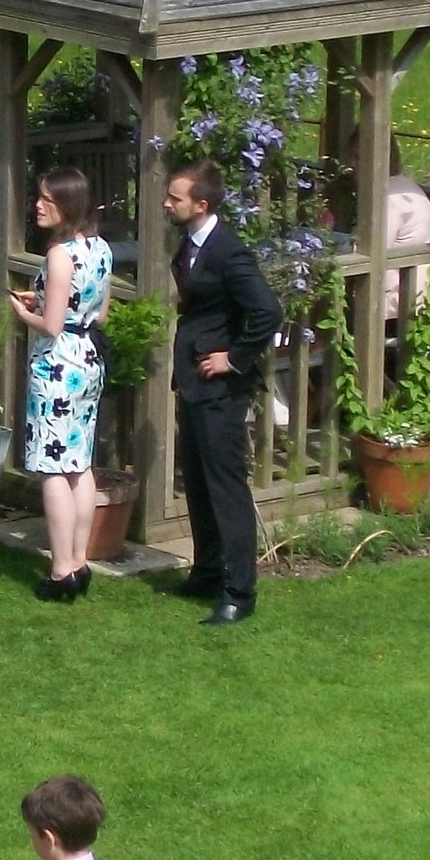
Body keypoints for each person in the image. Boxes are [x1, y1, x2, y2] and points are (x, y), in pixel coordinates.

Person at [163, 160, 284, 625]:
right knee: (196, 480)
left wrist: (233, 358)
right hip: (195, 384)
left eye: (175, 197)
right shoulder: (191, 245)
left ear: (201, 204)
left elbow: (266, 311)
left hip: (221, 390)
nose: (166, 203)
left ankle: (239, 591)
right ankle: (208, 569)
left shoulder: (227, 252)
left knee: (225, 486)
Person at [8, 167, 114, 601]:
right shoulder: (101, 249)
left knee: (52, 468)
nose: (38, 205)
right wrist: (51, 302)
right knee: (80, 465)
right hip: (88, 358)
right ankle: (80, 561)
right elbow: (99, 313)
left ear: (67, 206)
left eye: (47, 200)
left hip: (56, 365)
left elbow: (51, 326)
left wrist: (24, 312)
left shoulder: (58, 255)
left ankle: (59, 571)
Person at [384, 144, 430, 322]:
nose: (351, 165)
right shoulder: (404, 186)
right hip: (422, 292)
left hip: (400, 303)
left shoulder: (390, 198)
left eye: (357, 157)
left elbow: (375, 249)